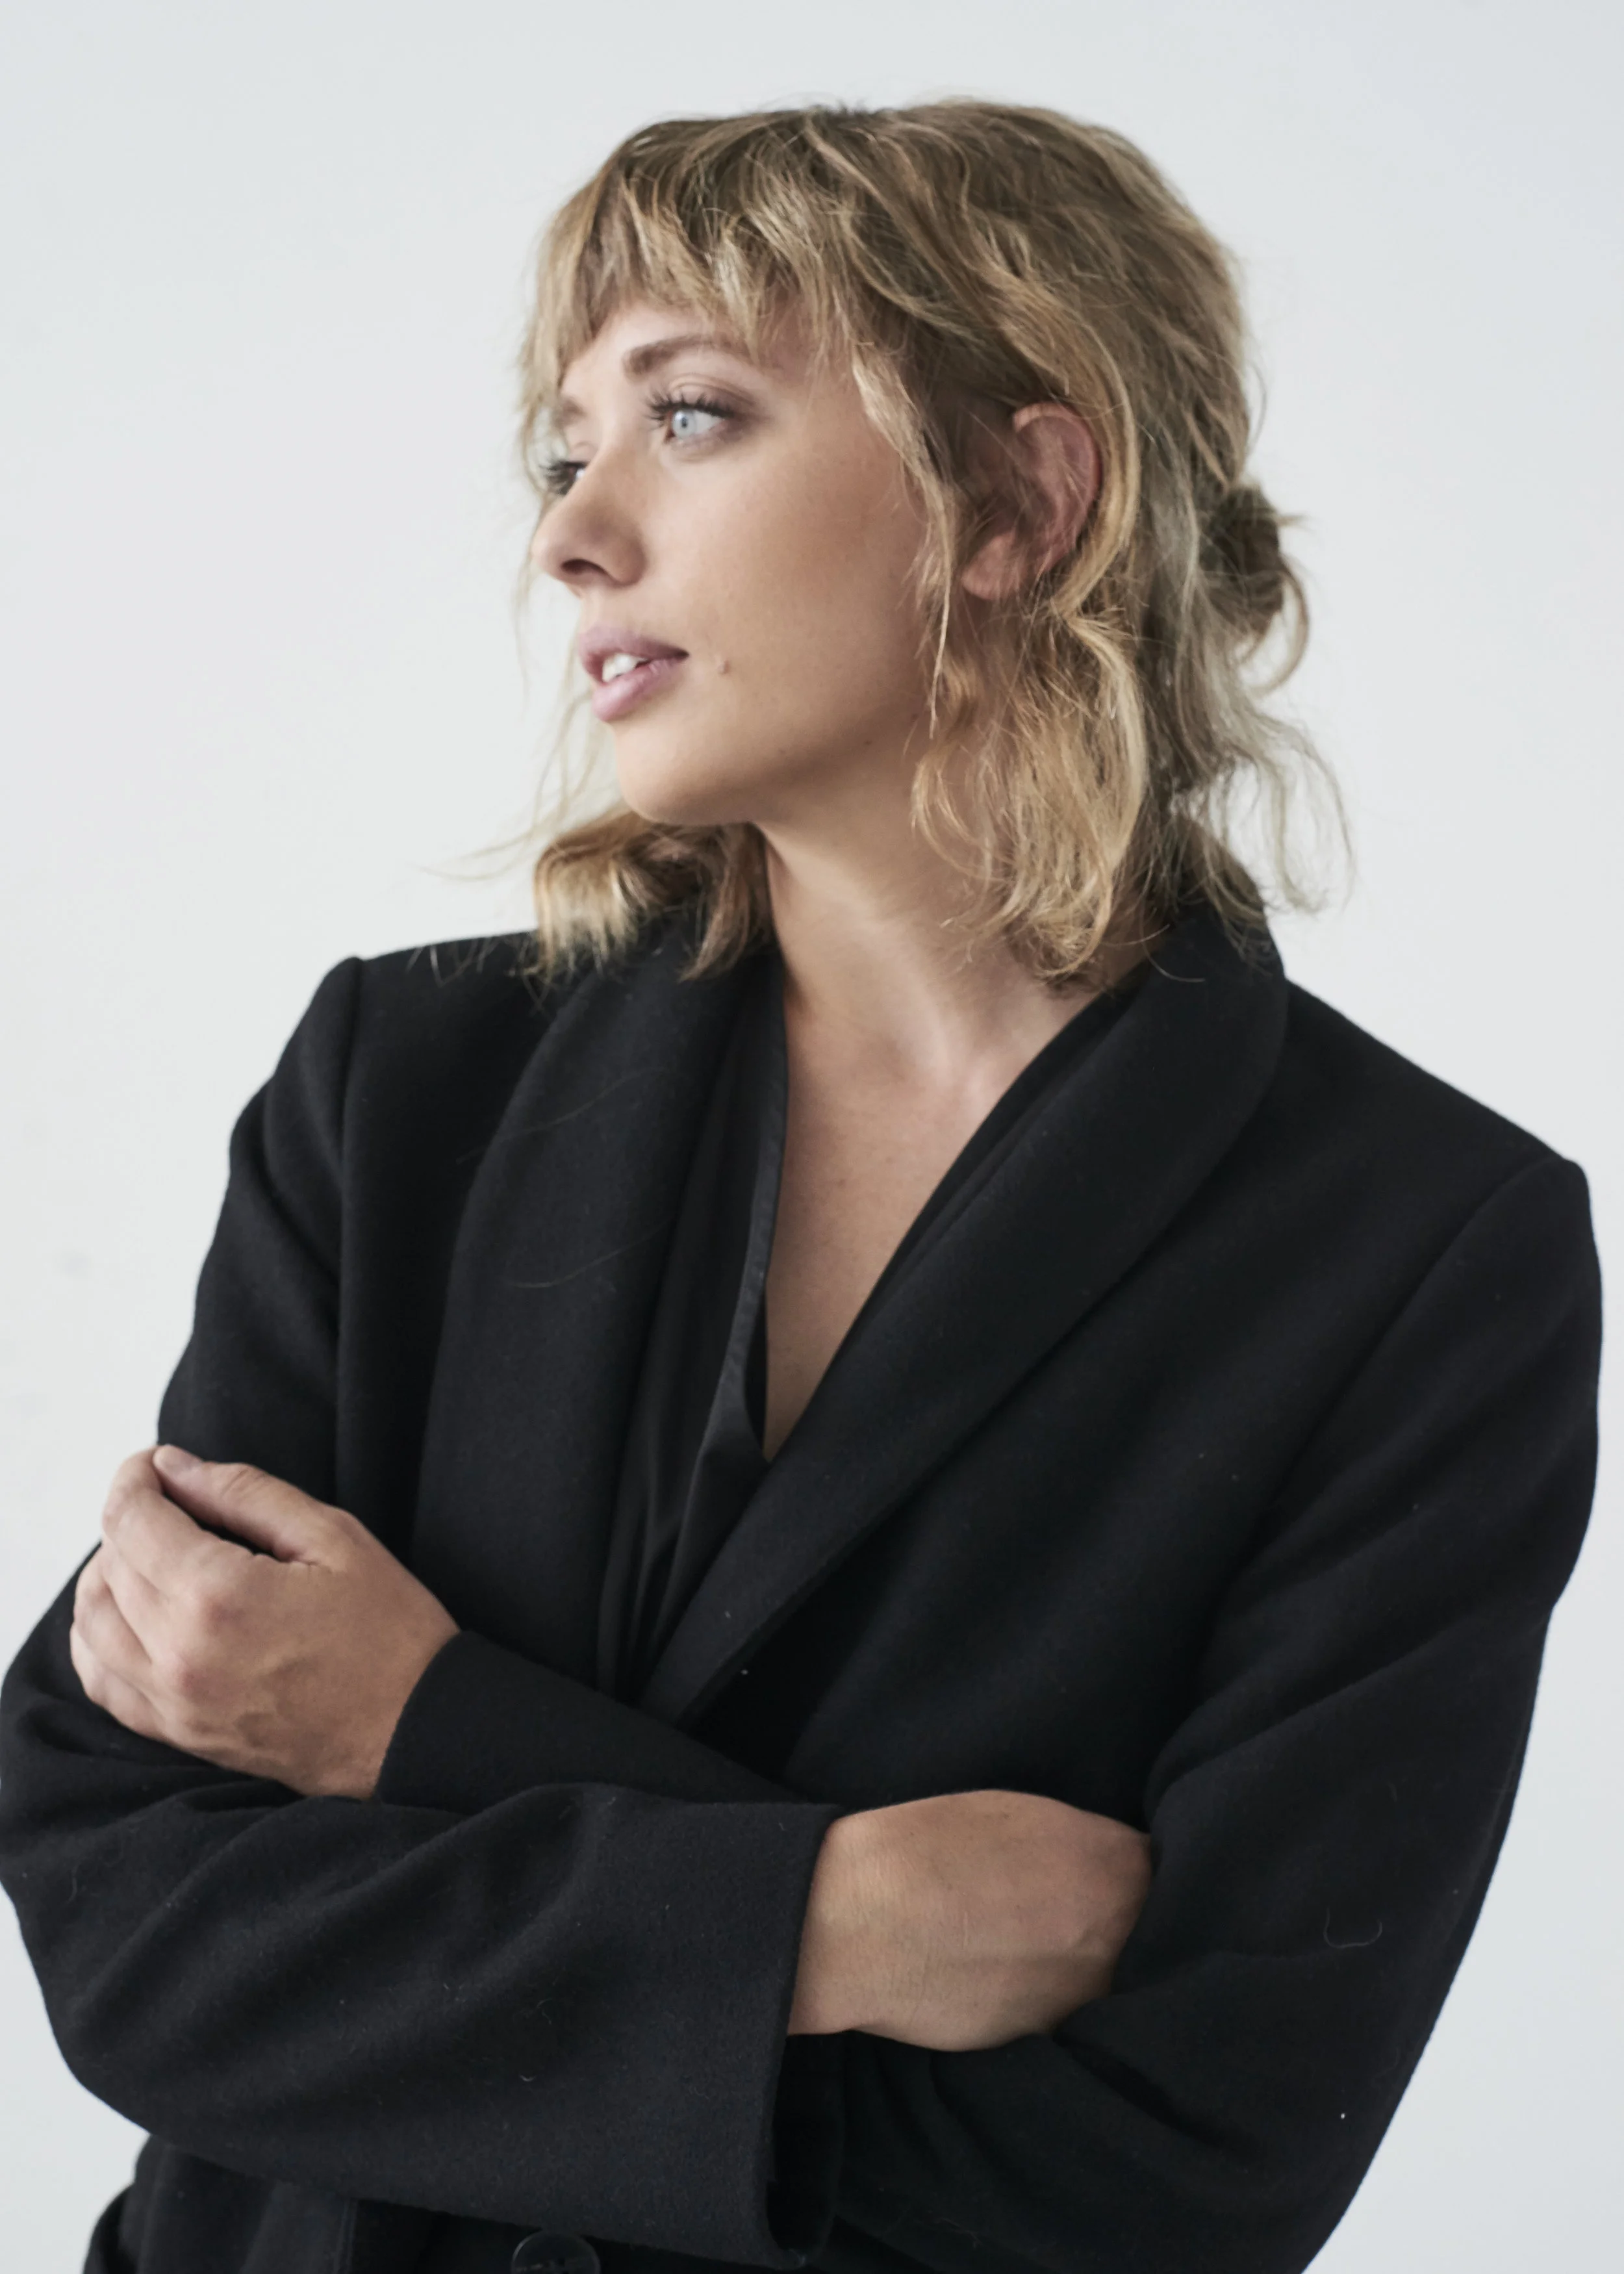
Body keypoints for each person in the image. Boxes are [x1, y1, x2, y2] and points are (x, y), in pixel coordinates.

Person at [0, 99, 1601, 2274]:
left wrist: (411, 1745)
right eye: (562, 450)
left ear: (1026, 500)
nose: (576, 533)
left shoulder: (1424, 1253)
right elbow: (124, 1902)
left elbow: (1178, 2169)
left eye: (691, 413)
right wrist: (829, 1917)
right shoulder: (405, 1085)